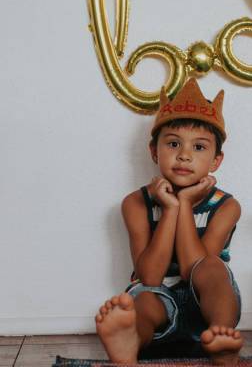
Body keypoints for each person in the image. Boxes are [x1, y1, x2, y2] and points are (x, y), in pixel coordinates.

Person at [95, 78, 243, 365]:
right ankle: (131, 340)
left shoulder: (226, 206)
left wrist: (184, 203)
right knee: (146, 298)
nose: (184, 155)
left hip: (206, 309)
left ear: (216, 161)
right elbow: (150, 276)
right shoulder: (136, 203)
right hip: (157, 306)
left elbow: (194, 269)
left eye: (199, 147)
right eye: (173, 143)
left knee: (214, 269)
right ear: (154, 151)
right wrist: (170, 209)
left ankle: (220, 339)